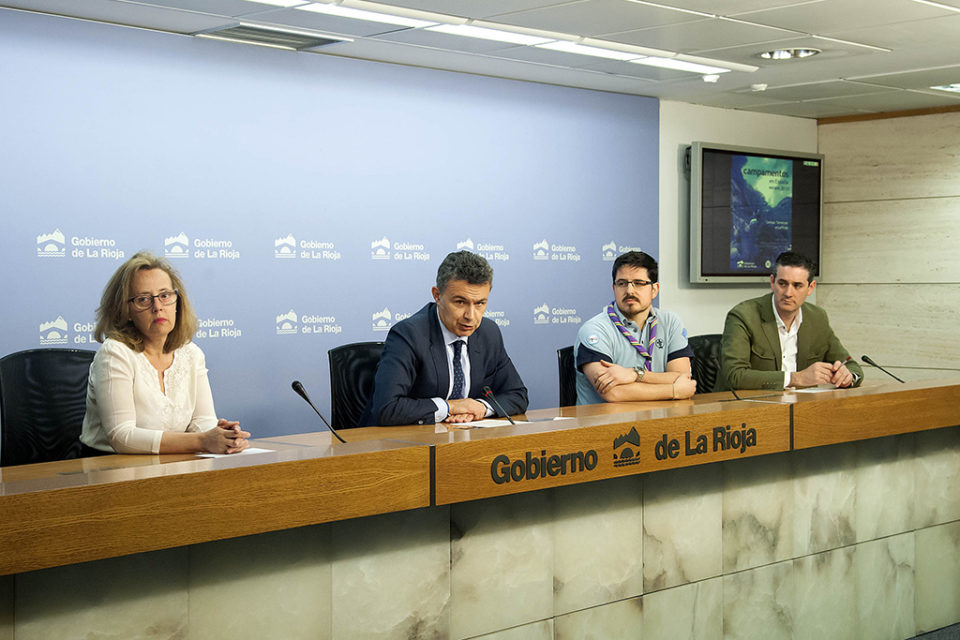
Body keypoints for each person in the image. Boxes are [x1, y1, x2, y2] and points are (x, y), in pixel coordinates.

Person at [80, 252, 250, 454]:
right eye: (143, 299)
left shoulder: (191, 354)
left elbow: (202, 421)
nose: (158, 307)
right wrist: (203, 441)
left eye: (164, 296)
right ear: (125, 311)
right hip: (111, 467)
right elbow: (121, 436)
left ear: (178, 301)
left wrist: (222, 437)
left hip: (171, 464)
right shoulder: (115, 353)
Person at [358, 251, 528, 426]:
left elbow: (517, 395)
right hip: (398, 445)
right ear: (437, 295)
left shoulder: (488, 333)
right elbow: (387, 408)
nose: (471, 315)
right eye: (460, 302)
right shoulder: (409, 334)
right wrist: (450, 407)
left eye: (480, 303)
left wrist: (480, 407)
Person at [719, 251, 863, 390]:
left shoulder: (817, 317)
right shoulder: (743, 316)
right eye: (782, 284)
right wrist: (796, 378)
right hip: (748, 407)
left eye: (797, 286)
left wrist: (848, 376)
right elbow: (735, 375)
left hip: (799, 406)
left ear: (810, 288)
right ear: (772, 282)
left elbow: (849, 364)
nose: (788, 293)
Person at [575, 251, 697, 404]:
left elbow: (683, 377)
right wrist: (674, 390)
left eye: (639, 283)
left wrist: (635, 374)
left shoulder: (670, 322)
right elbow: (613, 393)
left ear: (654, 289)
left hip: (658, 422)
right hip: (604, 425)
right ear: (614, 288)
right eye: (622, 283)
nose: (629, 290)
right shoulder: (595, 330)